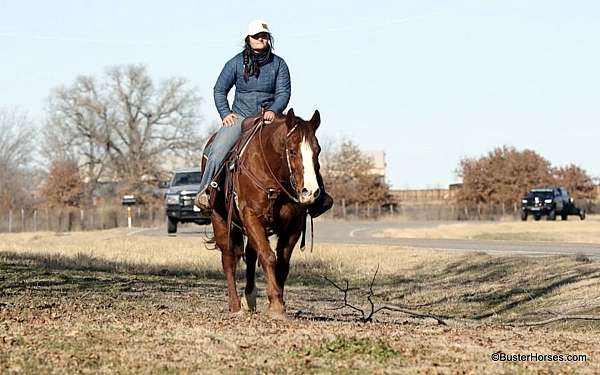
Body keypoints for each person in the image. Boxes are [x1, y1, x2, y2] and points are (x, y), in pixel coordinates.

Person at [196, 20, 332, 217]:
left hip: (271, 117)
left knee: (302, 145)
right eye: (257, 36)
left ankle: (318, 197)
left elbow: (284, 92)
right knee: (216, 149)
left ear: (269, 39)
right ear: (248, 39)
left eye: (264, 36)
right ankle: (206, 192)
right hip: (241, 117)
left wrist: (275, 110)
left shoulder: (279, 64)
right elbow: (219, 90)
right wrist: (225, 114)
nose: (261, 39)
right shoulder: (235, 63)